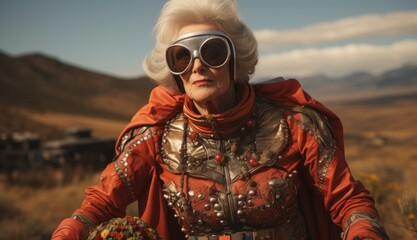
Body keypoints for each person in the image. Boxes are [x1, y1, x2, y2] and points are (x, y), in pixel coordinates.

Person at [52, 0, 389, 239]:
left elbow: (348, 200)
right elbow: (101, 201)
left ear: (235, 60)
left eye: (212, 51)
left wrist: (363, 231)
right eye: (182, 56)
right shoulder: (153, 137)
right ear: (174, 70)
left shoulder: (296, 125)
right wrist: (72, 229)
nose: (197, 65)